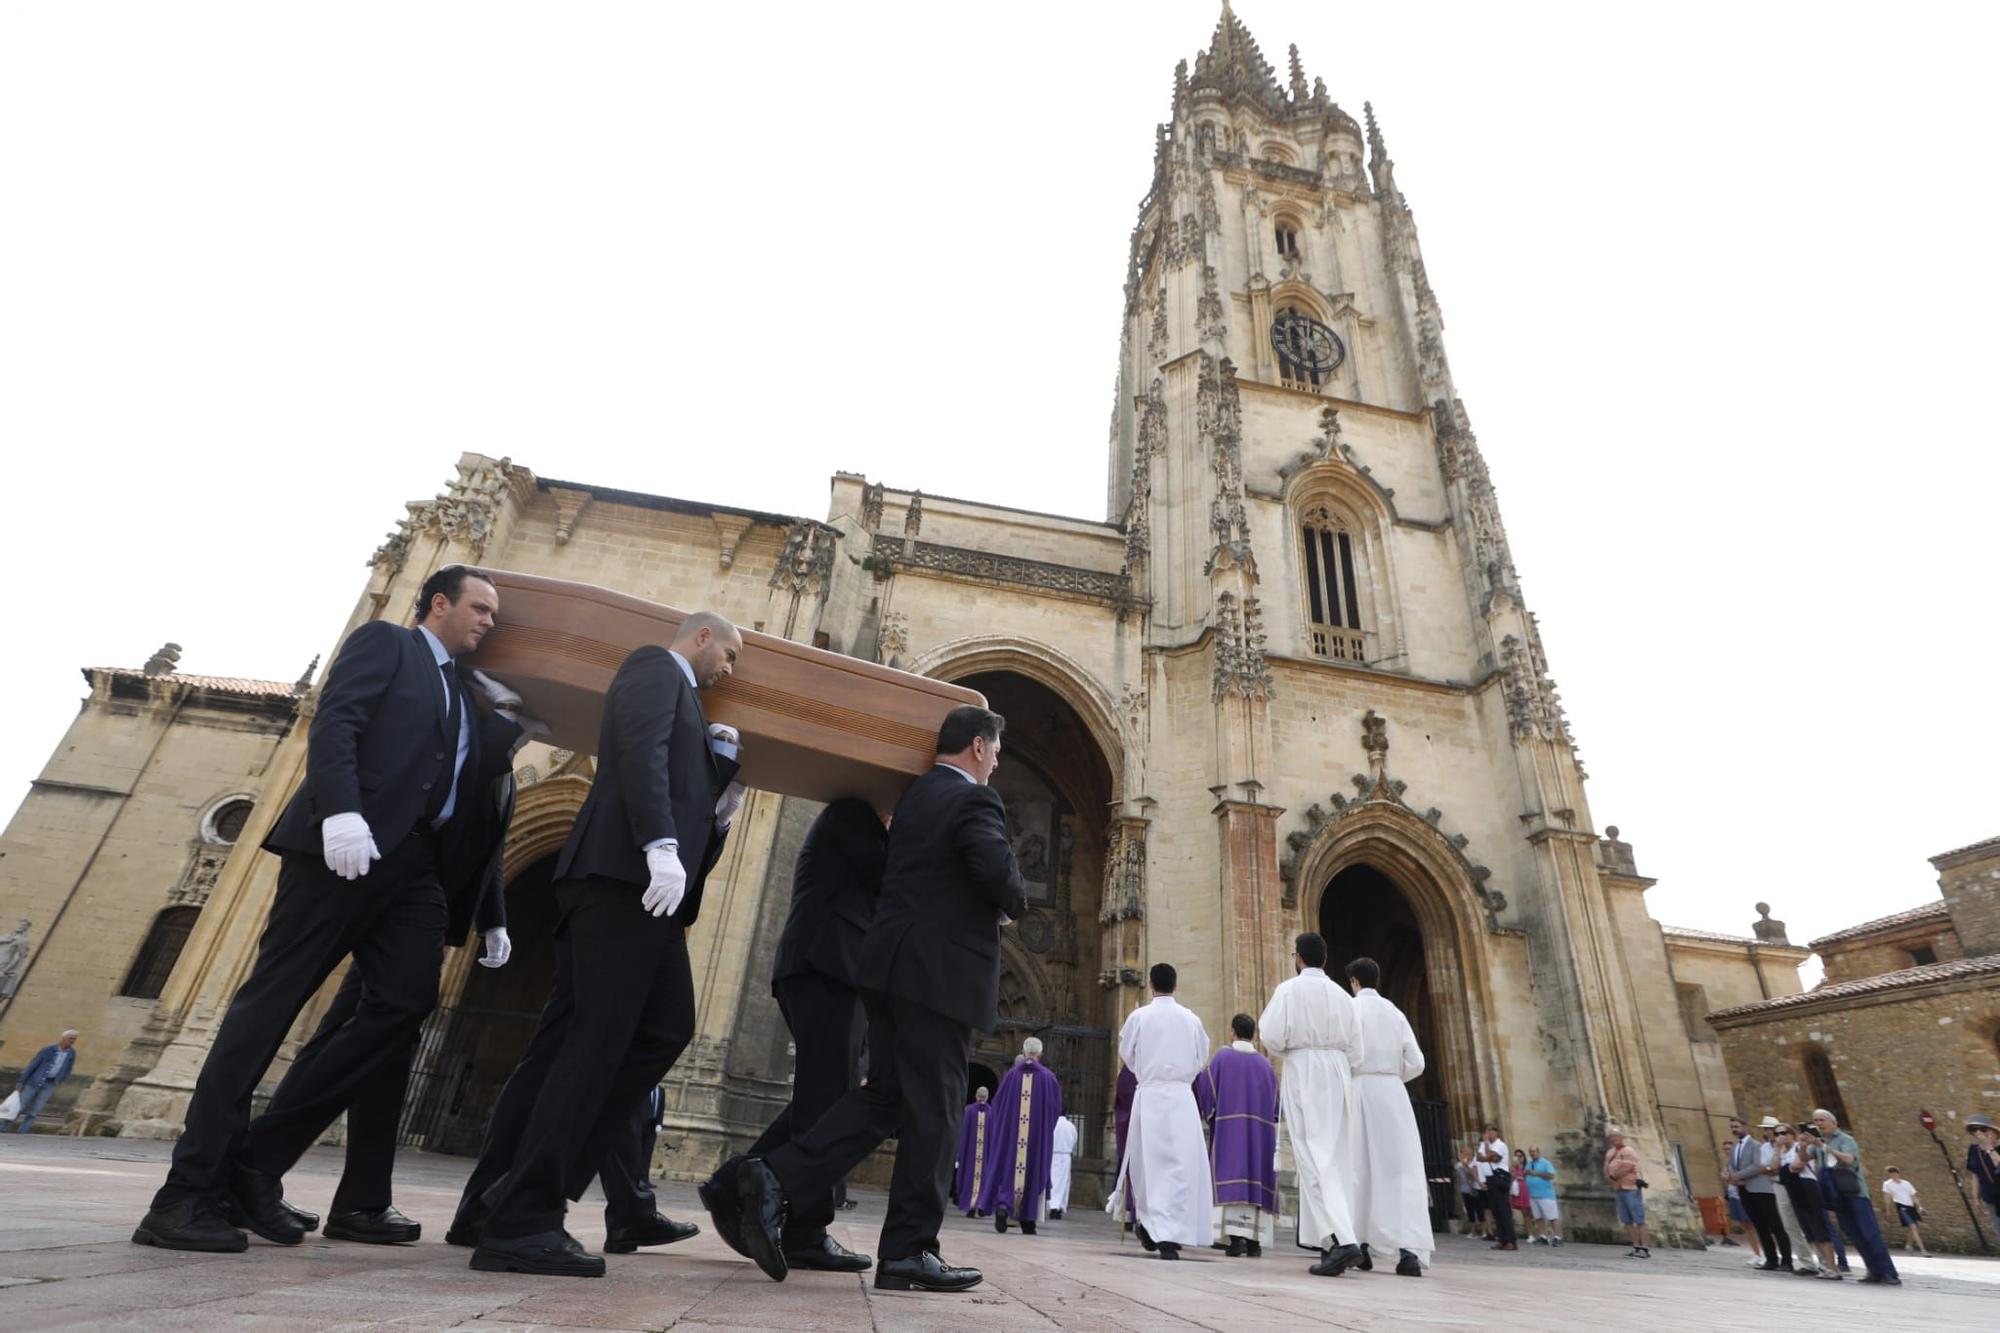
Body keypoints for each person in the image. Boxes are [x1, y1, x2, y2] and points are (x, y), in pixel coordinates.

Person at [133, 567, 530, 1254]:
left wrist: (514, 723)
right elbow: (339, 721)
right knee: (269, 1008)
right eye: (481, 608)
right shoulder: (388, 644)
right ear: (440, 602)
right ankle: (184, 1195)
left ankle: (254, 1161)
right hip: (341, 850)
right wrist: (340, 813)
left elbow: (469, 783)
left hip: (411, 867)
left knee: (406, 1001)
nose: (490, 621)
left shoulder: (462, 693)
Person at [453, 614, 745, 1277]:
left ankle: (514, 1190)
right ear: (701, 636)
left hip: (642, 889)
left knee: (654, 1028)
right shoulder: (652, 667)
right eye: (728, 653)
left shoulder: (691, 707)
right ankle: (523, 1214)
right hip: (621, 877)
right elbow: (637, 751)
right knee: (598, 1042)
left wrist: (719, 804)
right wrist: (660, 845)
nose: (730, 670)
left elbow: (677, 786)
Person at [704, 705, 1027, 1295]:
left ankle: (768, 1175)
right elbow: (994, 870)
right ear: (978, 748)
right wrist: (1011, 899)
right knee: (937, 1107)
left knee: (884, 1098)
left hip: (887, 970)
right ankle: (909, 1250)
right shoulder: (974, 800)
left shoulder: (914, 800)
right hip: (939, 976)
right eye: (997, 752)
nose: (998, 763)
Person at [278, 759, 520, 1246]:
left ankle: (358, 1199)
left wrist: (492, 916)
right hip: (391, 891)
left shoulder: (500, 744)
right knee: (360, 1036)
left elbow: (487, 835)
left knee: (377, 1042)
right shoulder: (457, 714)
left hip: (421, 909)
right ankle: (254, 1167)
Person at [742, 796, 887, 1274]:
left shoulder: (856, 818)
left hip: (830, 969)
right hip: (826, 967)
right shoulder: (852, 811)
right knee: (828, 1099)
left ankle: (735, 1186)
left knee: (824, 1094)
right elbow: (892, 880)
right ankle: (806, 1230)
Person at [1260, 932, 1365, 1275]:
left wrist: (1294, 1050)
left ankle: (1343, 1241)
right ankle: (1332, 1241)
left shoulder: (1288, 990)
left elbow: (1272, 1035)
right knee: (1336, 1155)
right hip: (1338, 1071)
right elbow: (1357, 1050)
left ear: (1298, 958)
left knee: (1312, 1156)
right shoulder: (1342, 996)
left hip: (1304, 1068)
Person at [1110, 962, 1212, 1260]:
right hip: (1181, 1098)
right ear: (1175, 985)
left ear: (1151, 985)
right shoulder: (1191, 1019)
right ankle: (1172, 1233)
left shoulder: (1139, 1017)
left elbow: (1127, 1053)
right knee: (1181, 1166)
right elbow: (1201, 1057)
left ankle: (1155, 1226)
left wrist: (1147, 1072)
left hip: (1150, 1096)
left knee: (1148, 1166)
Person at [1343, 959, 1430, 1276]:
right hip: (1393, 1095)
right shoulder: (1396, 1013)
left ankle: (1360, 1247)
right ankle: (1408, 1253)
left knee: (1358, 1168)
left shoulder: (1349, 1010)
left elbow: (1343, 1053)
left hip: (1359, 1090)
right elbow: (1417, 1062)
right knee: (1399, 1170)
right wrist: (1393, 1076)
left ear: (1353, 981)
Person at [1194, 1013, 1279, 1258]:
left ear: (1232, 1032)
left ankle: (1235, 1240)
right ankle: (1254, 1241)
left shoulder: (1222, 1057)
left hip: (1229, 1134)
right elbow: (1275, 1105)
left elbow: (1206, 1088)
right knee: (1255, 1179)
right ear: (1254, 1035)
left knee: (1231, 1176)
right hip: (1259, 1138)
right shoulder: (1265, 1065)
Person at [976, 1037, 1063, 1234]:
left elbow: (997, 1105)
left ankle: (1003, 1207)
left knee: (1008, 1170)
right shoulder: (1049, 1078)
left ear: (1023, 1053)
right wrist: (1042, 1130)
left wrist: (1004, 1130)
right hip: (1035, 1140)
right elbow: (1055, 1109)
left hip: (1011, 1137)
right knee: (1032, 1171)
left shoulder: (1011, 1075)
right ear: (1040, 1054)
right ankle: (1028, 1221)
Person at [1804, 1108, 1898, 1286]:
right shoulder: (1816, 1143)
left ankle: (1889, 1272)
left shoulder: (1846, 1140)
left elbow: (1849, 1159)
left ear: (1833, 1122)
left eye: (1822, 1120)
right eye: (1815, 1121)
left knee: (1870, 1233)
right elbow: (1801, 1159)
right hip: (1836, 1195)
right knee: (1854, 1234)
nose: (1818, 1124)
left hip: (1855, 1193)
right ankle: (1873, 1271)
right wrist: (1804, 1144)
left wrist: (1824, 1147)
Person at [1724, 1115, 1792, 1271]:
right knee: (1759, 1225)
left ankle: (1787, 1260)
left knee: (1775, 1225)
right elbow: (1732, 1164)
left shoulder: (1755, 1145)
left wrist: (1738, 1176)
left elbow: (1757, 1165)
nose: (1735, 1129)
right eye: (1732, 1127)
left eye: (1737, 1126)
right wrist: (1732, 1177)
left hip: (1761, 1189)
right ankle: (1771, 1259)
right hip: (1744, 1189)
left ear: (1745, 1127)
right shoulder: (1735, 1147)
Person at [1773, 1124, 1835, 1278]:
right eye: (1777, 1133)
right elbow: (1774, 1167)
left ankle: (1829, 1265)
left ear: (1792, 1134)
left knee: (1818, 1227)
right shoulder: (1781, 1151)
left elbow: (1798, 1166)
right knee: (1808, 1230)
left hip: (1806, 1187)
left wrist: (1786, 1169)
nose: (1780, 1136)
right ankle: (1818, 1265)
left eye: (1783, 1132)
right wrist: (1776, 1150)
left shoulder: (1799, 1148)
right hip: (1793, 1190)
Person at [9, 1029, 78, 1133]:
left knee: (36, 1109)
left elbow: (68, 1068)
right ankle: (4, 1128)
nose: (72, 1041)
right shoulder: (48, 1049)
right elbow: (33, 1065)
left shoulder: (71, 1053)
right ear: (63, 1038)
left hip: (50, 1083)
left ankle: (23, 1131)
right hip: (34, 1081)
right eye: (70, 1039)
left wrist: (61, 1079)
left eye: (74, 1039)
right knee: (19, 1106)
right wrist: (21, 1082)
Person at [1603, 1125, 1648, 1258]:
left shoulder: (1628, 1150)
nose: (1613, 1138)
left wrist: (1614, 1176)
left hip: (1630, 1187)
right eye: (1611, 1136)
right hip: (1619, 1188)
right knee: (1626, 1220)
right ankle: (1636, 1246)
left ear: (1622, 1137)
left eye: (1616, 1136)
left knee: (1638, 1218)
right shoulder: (1610, 1153)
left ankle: (1644, 1248)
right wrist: (1609, 1178)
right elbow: (1606, 1167)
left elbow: (1628, 1166)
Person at [952, 1088, 993, 1216]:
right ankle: (981, 1205)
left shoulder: (968, 1111)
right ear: (987, 1097)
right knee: (985, 1178)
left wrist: (959, 1154)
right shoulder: (992, 1113)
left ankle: (970, 1207)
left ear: (976, 1096)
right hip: (985, 1156)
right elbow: (994, 1137)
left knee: (969, 1177)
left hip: (970, 1155)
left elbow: (962, 1135)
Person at [1476, 1125, 1516, 1251]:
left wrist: (1487, 1149)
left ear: (1496, 1133)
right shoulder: (1484, 1144)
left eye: (1491, 1131)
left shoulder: (1500, 1145)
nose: (1488, 1134)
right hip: (1490, 1179)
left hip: (1500, 1177)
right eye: (1487, 1131)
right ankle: (1502, 1239)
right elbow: (1479, 1157)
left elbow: (1494, 1158)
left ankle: (1510, 1241)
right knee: (1496, 1211)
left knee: (1504, 1211)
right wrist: (1487, 1154)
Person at [1967, 1115, 2000, 1240]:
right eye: (1975, 1130)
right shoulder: (1974, 1150)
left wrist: (1989, 1148)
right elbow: (1975, 1174)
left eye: (1983, 1129)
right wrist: (1976, 1197)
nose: (1979, 1133)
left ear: (1994, 1131)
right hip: (1990, 1197)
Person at [1523, 1145, 1561, 1247]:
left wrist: (1537, 1173)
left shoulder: (1546, 1163)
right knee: (1538, 1217)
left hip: (1545, 1194)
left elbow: (1551, 1175)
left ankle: (1557, 1237)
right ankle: (1543, 1236)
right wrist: (1525, 1173)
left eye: (1534, 1151)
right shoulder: (1529, 1164)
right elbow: (1525, 1175)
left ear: (1539, 1152)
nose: (1532, 1153)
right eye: (1530, 1151)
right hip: (1533, 1194)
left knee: (1552, 1216)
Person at [1881, 1168, 1925, 1254]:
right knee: (1913, 1227)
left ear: (1898, 1174)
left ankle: (1908, 1245)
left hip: (1911, 1207)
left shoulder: (1906, 1183)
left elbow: (1913, 1196)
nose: (1893, 1176)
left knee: (1914, 1227)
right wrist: (1888, 1210)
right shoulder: (1887, 1184)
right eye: (1891, 1174)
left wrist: (1920, 1207)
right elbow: (1887, 1198)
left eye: (1895, 1174)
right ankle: (1923, 1250)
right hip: (1901, 1207)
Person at [1049, 1115, 1079, 1220]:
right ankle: (1058, 1206)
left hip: (1053, 1154)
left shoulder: (1052, 1124)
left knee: (1054, 1180)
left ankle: (1053, 1205)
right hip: (1065, 1155)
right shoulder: (1070, 1126)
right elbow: (1075, 1139)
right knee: (1063, 1182)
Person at [1453, 1150, 1487, 1239]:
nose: (1464, 1156)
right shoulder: (1458, 1166)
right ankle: (1473, 1231)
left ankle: (1484, 1231)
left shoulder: (1473, 1164)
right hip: (1465, 1190)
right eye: (1462, 1155)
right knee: (1470, 1210)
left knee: (1479, 1209)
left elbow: (1472, 1175)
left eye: (1466, 1154)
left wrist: (1466, 1166)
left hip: (1474, 1188)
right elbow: (1457, 1178)